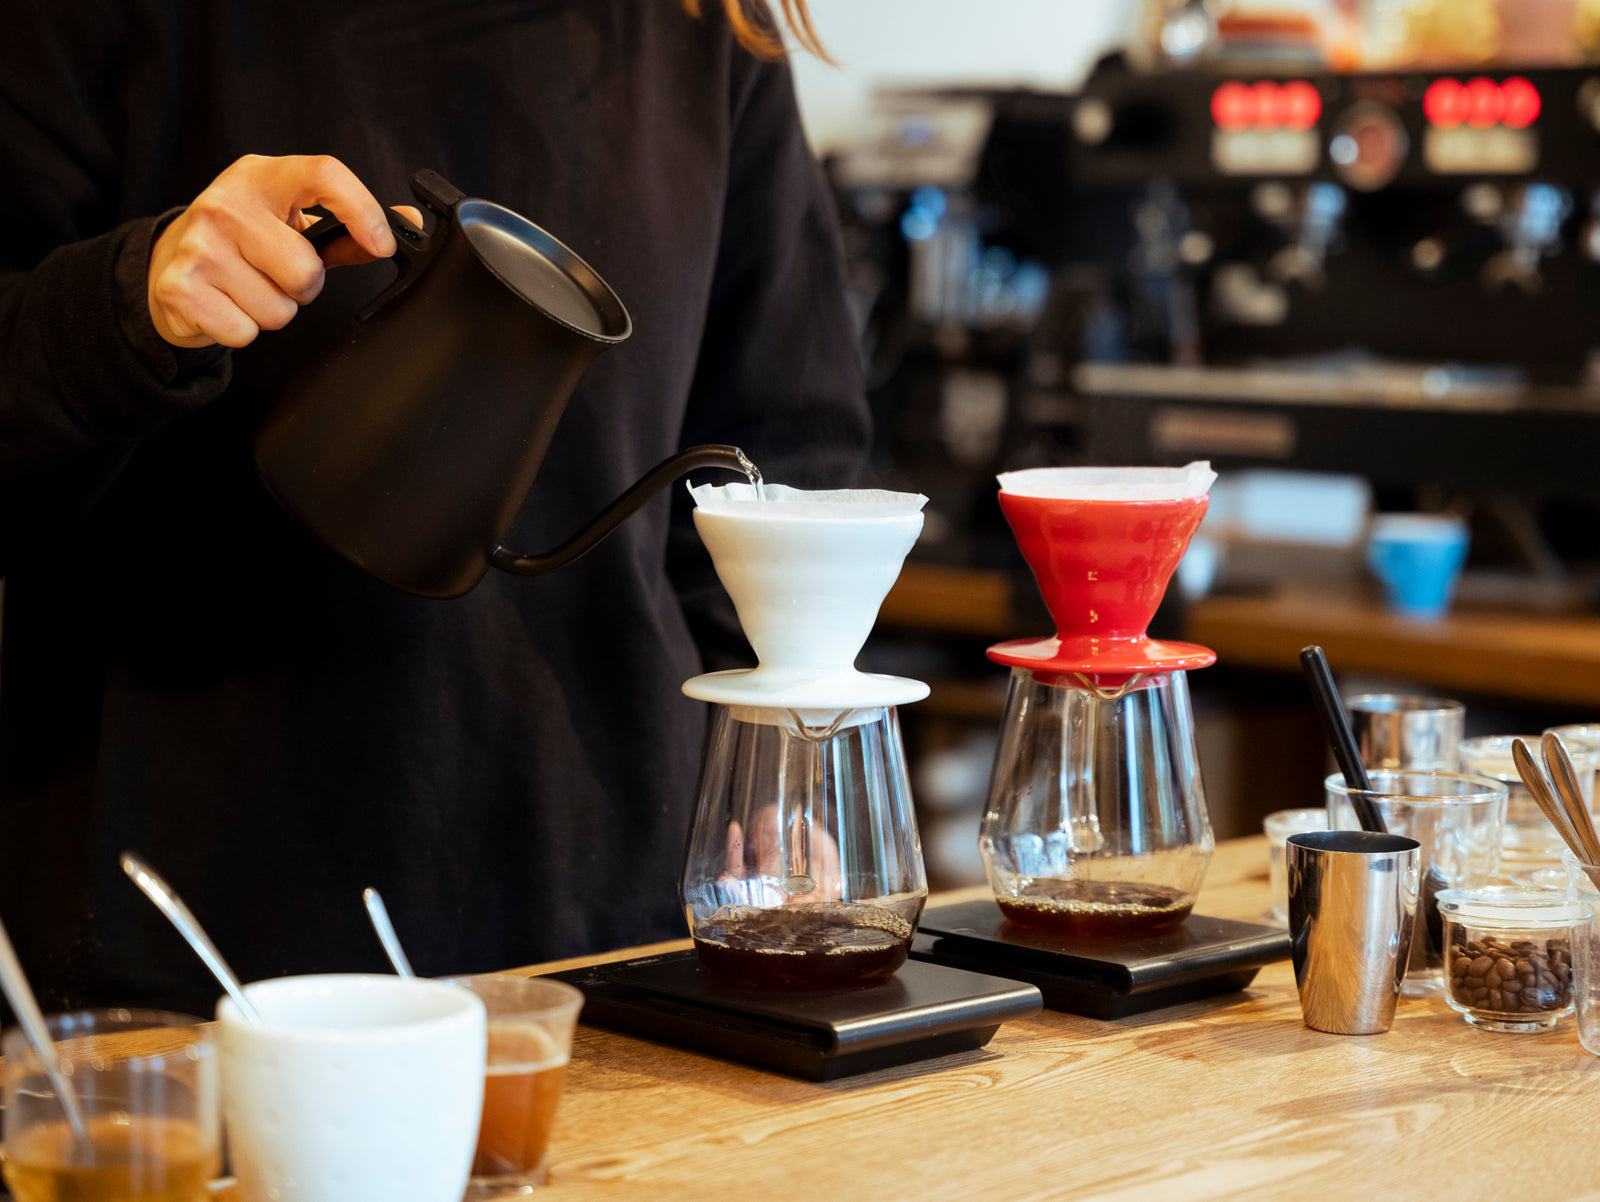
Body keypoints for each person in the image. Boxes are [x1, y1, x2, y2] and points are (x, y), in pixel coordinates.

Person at [0, 0, 869, 1014]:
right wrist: (127, 305)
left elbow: (784, 439)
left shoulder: (704, 27)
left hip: (618, 940)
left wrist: (771, 750)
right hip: (181, 951)